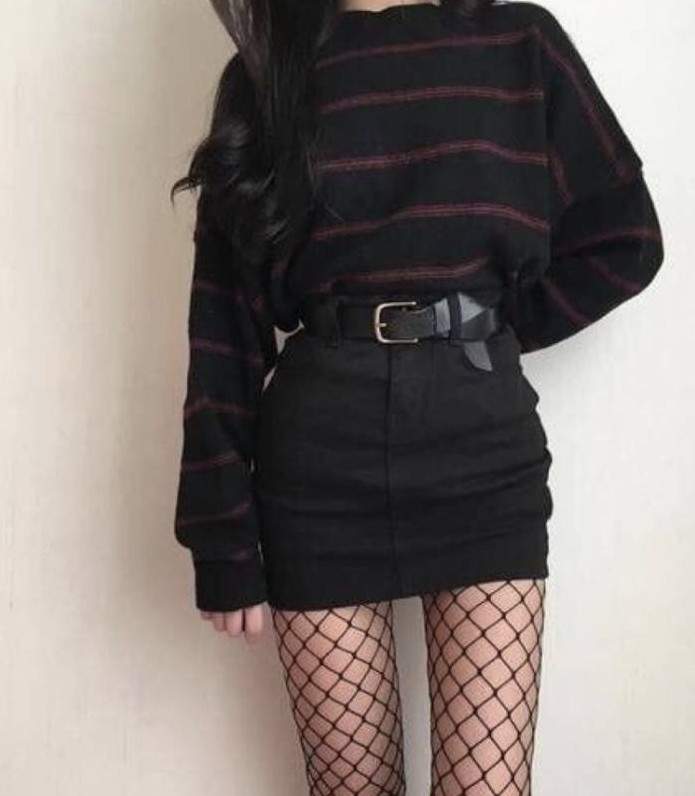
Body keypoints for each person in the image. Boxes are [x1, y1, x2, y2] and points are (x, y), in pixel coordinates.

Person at [169, 1, 664, 793]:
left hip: (483, 459)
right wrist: (220, 538)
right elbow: (224, 328)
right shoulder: (268, 76)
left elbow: (625, 238)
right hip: (317, 472)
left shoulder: (519, 44)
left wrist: (485, 329)